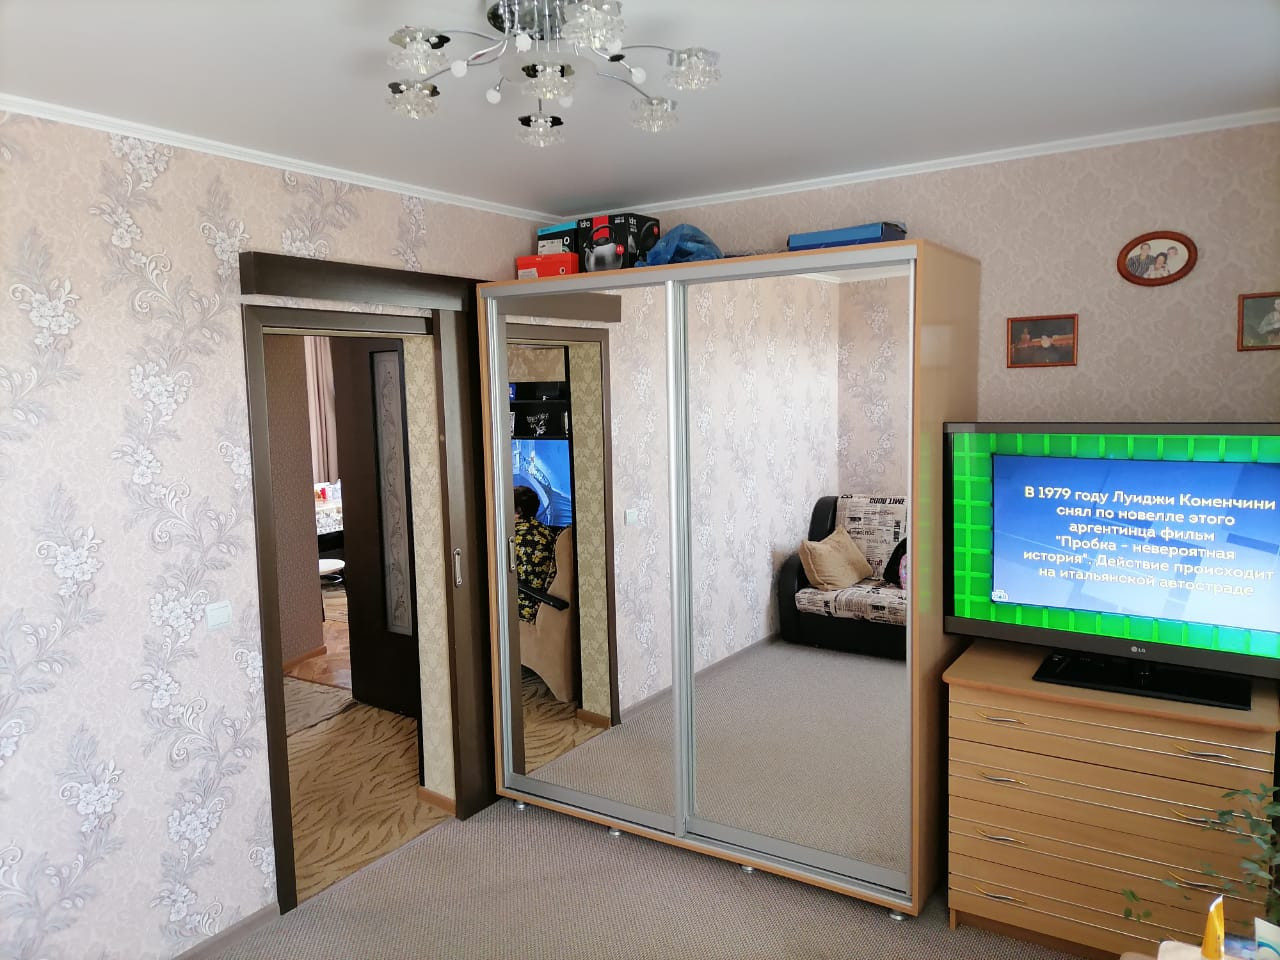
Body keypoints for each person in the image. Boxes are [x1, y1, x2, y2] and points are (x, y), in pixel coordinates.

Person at [513, 485, 556, 623]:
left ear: (518, 511)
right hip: (543, 602)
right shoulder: (547, 531)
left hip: (521, 604)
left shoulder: (511, 536)